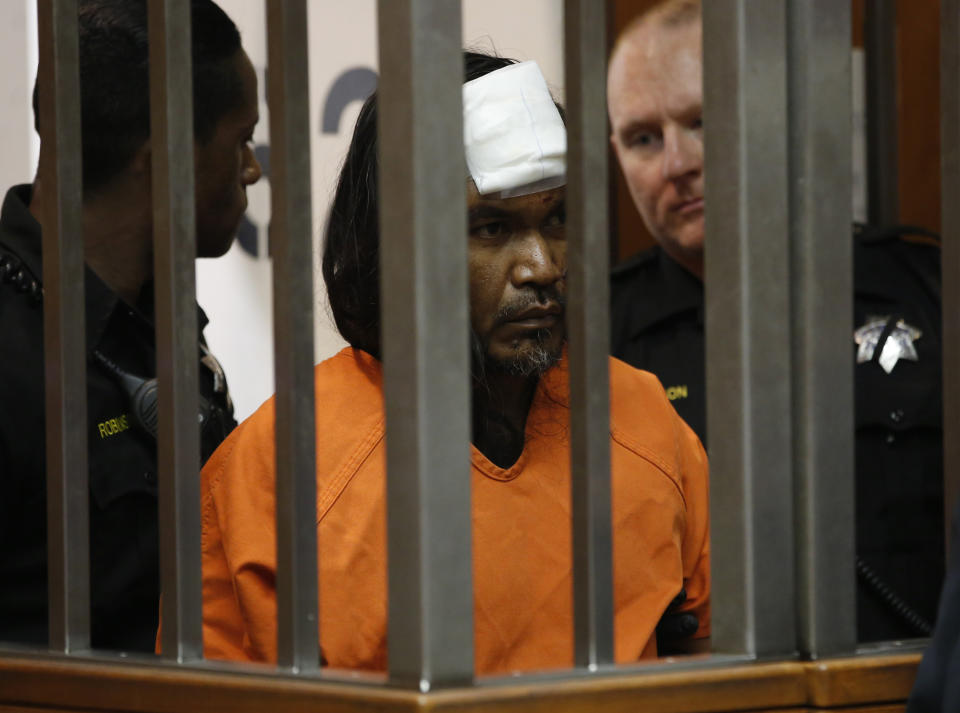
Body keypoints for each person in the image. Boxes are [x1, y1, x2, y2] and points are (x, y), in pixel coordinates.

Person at [193, 52, 709, 673]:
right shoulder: (277, 469)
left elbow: (715, 664)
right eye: (491, 228)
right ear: (396, 242)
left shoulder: (643, 419)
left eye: (559, 220)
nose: (542, 266)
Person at [607, 0, 943, 642]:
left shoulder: (925, 291)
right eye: (644, 138)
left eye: (704, 122)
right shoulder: (595, 340)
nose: (677, 164)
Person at [0, 0, 261, 652]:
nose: (252, 167)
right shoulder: (12, 354)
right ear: (167, 154)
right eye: (241, 139)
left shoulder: (153, 322)